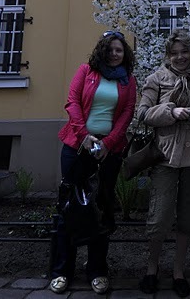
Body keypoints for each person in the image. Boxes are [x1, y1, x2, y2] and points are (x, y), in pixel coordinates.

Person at [49, 31, 137, 295]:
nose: (114, 54)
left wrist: (108, 143)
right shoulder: (86, 71)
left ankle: (97, 271)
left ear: (124, 53)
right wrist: (84, 136)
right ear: (101, 50)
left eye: (119, 50)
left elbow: (127, 113)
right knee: (69, 208)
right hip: (77, 147)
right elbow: (72, 103)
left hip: (108, 152)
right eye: (110, 49)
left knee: (101, 211)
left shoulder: (128, 79)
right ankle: (62, 271)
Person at [135, 30, 190, 298]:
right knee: (159, 216)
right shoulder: (156, 78)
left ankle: (179, 271)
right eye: (174, 53)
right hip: (166, 156)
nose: (180, 57)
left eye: (185, 52)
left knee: (188, 216)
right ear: (168, 56)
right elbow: (143, 113)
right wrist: (171, 111)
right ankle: (152, 268)